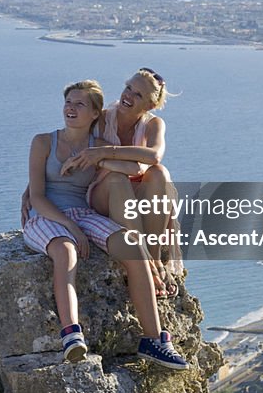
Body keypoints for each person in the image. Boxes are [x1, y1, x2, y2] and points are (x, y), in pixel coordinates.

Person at [22, 80, 188, 369]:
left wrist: (100, 157)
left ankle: (155, 340)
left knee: (134, 248)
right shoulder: (42, 141)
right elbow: (38, 195)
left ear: (95, 114)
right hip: (48, 216)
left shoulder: (97, 146)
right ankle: (72, 335)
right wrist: (67, 225)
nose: (71, 108)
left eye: (79, 104)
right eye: (68, 102)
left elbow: (141, 165)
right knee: (66, 252)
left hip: (84, 213)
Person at [66, 68, 181, 297]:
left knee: (159, 173)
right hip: (103, 195)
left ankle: (155, 258)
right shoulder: (101, 120)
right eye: (128, 87)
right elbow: (67, 145)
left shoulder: (153, 124)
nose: (128, 95)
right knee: (118, 179)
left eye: (138, 94)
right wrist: (33, 187)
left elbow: (153, 157)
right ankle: (147, 265)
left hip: (137, 199)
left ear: (150, 105)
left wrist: (103, 156)